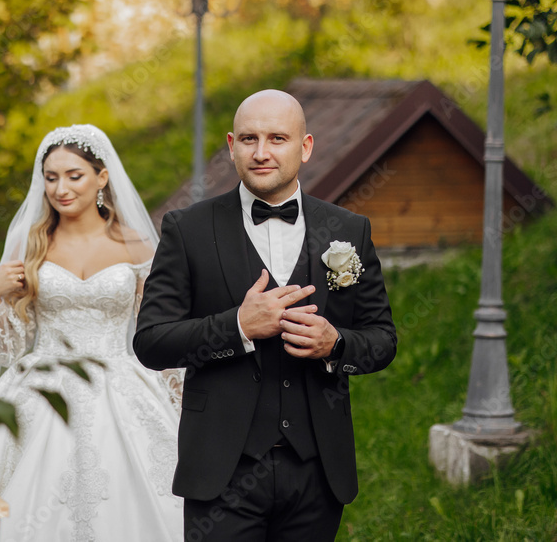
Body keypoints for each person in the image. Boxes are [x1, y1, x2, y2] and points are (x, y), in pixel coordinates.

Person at [133, 89, 397, 541]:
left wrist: (335, 345)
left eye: (277, 138)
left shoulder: (349, 231)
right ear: (231, 146)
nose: (262, 153)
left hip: (317, 472)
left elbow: (382, 339)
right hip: (221, 471)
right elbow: (152, 342)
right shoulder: (187, 229)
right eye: (250, 139)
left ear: (305, 146)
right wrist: (236, 327)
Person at [0, 124, 184, 542]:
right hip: (40, 387)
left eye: (74, 176)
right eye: (51, 177)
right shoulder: (30, 242)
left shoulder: (138, 245)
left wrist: (175, 397)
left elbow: (158, 332)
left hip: (123, 386)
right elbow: (9, 346)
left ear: (102, 178)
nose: (61, 188)